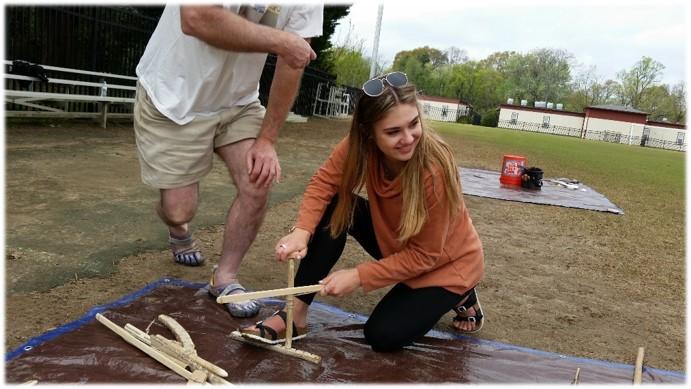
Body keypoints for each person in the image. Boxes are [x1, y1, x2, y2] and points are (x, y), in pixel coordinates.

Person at [239, 72, 485, 351]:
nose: (408, 138)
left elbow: (426, 255)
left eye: (413, 124)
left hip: (445, 265)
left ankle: (462, 295)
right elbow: (324, 182)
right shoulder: (360, 145)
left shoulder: (435, 169)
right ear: (369, 133)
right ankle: (294, 316)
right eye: (393, 132)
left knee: (382, 335)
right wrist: (301, 231)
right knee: (333, 208)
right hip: (398, 242)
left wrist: (359, 276)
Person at [133, 5, 324, 318]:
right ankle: (178, 230)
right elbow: (195, 17)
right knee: (179, 209)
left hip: (239, 103)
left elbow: (294, 60)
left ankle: (224, 278)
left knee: (258, 178)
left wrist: (266, 140)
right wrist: (280, 41)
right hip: (173, 96)